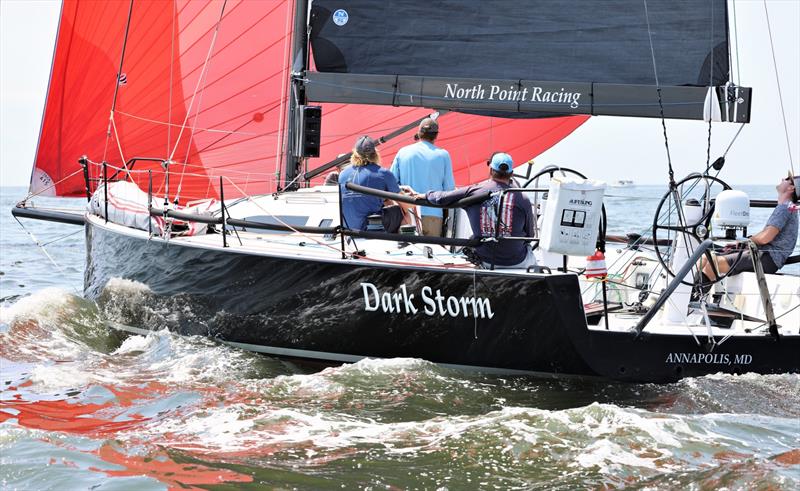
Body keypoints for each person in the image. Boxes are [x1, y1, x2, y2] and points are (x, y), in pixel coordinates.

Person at [420, 152, 536, 269]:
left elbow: (441, 198)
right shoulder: (523, 198)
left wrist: (425, 195)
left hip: (486, 261)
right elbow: (530, 235)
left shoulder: (475, 191)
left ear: (490, 170)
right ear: (512, 174)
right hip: (518, 262)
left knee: (471, 243)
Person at [703, 173, 798, 279]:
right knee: (703, 259)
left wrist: (745, 242)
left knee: (712, 264)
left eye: (786, 179)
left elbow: (765, 238)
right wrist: (745, 243)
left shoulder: (785, 208)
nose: (782, 178)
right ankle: (697, 294)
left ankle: (698, 295)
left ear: (791, 188)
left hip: (768, 258)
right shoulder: (787, 207)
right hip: (763, 253)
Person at [390, 117, 455, 236]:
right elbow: (449, 190)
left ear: (419, 133)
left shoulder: (402, 152)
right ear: (436, 136)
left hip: (408, 213)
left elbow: (392, 183)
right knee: (433, 251)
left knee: (408, 252)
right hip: (433, 213)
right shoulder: (443, 155)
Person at [339, 136, 403, 232]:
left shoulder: (342, 174)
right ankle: (407, 241)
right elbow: (406, 203)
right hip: (370, 228)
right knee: (399, 211)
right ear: (375, 154)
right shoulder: (383, 173)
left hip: (348, 228)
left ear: (354, 154)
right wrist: (417, 197)